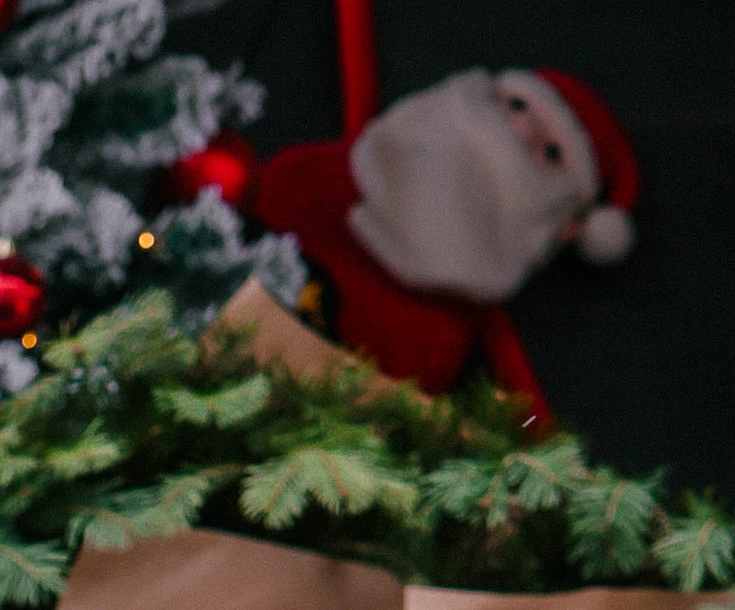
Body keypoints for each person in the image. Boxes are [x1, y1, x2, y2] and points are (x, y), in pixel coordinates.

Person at [253, 67, 638, 423]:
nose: (518, 131)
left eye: (550, 151)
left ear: (568, 228)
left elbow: (527, 414)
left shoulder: (438, 338)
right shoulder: (308, 178)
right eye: (517, 106)